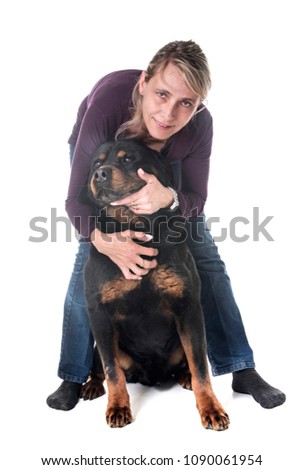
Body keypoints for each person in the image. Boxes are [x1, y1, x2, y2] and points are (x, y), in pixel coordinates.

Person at [47, 40, 286, 412]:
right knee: (88, 259)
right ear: (143, 83)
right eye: (162, 93)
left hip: (164, 164)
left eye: (186, 103)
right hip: (106, 151)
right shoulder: (110, 103)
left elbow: (195, 200)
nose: (169, 113)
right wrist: (102, 239)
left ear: (198, 106)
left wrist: (168, 199)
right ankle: (74, 375)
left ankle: (240, 367)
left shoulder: (196, 128)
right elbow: (75, 202)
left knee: (204, 256)